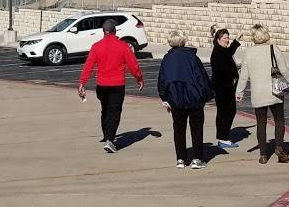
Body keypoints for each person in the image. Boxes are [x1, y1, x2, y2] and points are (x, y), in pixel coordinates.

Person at [78, 19, 145, 153]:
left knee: (105, 109)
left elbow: (89, 65)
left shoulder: (97, 46)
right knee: (114, 112)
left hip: (102, 85)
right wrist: (139, 78)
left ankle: (106, 135)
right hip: (117, 85)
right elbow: (133, 65)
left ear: (103, 32)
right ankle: (110, 140)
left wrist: (82, 83)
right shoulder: (123, 46)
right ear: (115, 31)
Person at [237, 24, 289, 164]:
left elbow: (244, 75)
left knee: (261, 124)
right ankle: (279, 147)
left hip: (258, 93)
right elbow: (284, 70)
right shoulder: (273, 49)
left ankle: (263, 155)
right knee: (279, 120)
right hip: (275, 92)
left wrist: (239, 92)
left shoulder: (249, 52)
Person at [158, 30, 214, 169]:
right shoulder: (192, 57)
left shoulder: (167, 59)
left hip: (175, 99)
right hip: (194, 98)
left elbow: (162, 80)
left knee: (178, 129)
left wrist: (164, 97)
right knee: (196, 129)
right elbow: (202, 78)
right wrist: (207, 95)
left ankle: (181, 158)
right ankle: (197, 158)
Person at [210, 26, 242, 149]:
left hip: (226, 87)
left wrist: (236, 40)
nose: (227, 40)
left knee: (226, 112)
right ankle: (223, 138)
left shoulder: (222, 50)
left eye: (228, 38)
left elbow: (230, 51)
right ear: (218, 39)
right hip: (222, 88)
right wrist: (234, 73)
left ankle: (223, 137)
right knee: (227, 112)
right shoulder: (218, 52)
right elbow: (222, 71)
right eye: (225, 38)